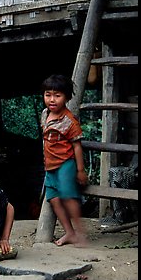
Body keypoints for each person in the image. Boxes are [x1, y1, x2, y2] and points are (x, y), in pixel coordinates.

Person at [40, 74, 88, 246]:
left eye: (57, 95)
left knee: (68, 197)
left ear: (66, 97)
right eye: (48, 94)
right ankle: (70, 233)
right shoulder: (45, 114)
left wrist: (80, 171)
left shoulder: (69, 121)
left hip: (65, 164)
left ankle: (81, 232)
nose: (52, 99)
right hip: (50, 166)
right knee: (53, 199)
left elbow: (77, 146)